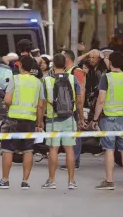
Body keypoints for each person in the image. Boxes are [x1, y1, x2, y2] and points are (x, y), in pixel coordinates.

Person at [0, 56, 45, 189]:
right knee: (28, 150)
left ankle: (5, 180)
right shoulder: (38, 82)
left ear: (20, 65)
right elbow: (40, 106)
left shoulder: (14, 79)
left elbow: (8, 100)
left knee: (7, 150)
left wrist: (10, 106)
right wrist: (39, 124)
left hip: (13, 119)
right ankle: (25, 181)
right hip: (30, 120)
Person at [91, 51, 123, 190]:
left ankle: (109, 181)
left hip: (108, 117)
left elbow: (101, 100)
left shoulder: (107, 78)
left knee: (109, 150)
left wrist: (95, 118)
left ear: (110, 62)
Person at [41, 54, 85, 190]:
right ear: (65, 65)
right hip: (69, 118)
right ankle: (71, 181)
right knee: (69, 149)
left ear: (53, 65)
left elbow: (41, 104)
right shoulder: (72, 79)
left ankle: (51, 180)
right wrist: (81, 118)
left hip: (52, 118)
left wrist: (39, 122)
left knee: (53, 149)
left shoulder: (46, 80)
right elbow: (79, 101)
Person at [60, 49, 86, 170]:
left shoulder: (77, 72)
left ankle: (74, 161)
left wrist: (81, 113)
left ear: (67, 59)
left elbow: (81, 92)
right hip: (67, 108)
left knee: (75, 136)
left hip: (74, 109)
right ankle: (72, 160)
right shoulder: (67, 71)